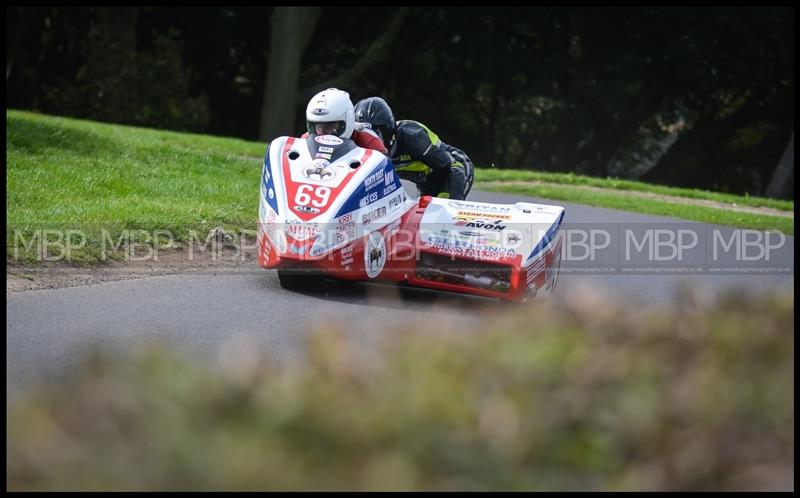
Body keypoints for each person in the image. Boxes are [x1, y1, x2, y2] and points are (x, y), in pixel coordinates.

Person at [353, 96, 474, 200]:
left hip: (454, 169)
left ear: (388, 130)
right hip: (426, 183)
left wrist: (455, 205)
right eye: (363, 135)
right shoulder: (360, 151)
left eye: (375, 133)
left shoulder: (412, 137)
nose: (369, 140)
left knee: (439, 217)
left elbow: (453, 167)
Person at [302, 88, 387, 154]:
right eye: (319, 126)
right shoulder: (305, 139)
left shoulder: (367, 138)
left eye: (330, 126)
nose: (324, 132)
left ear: (348, 122)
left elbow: (386, 167)